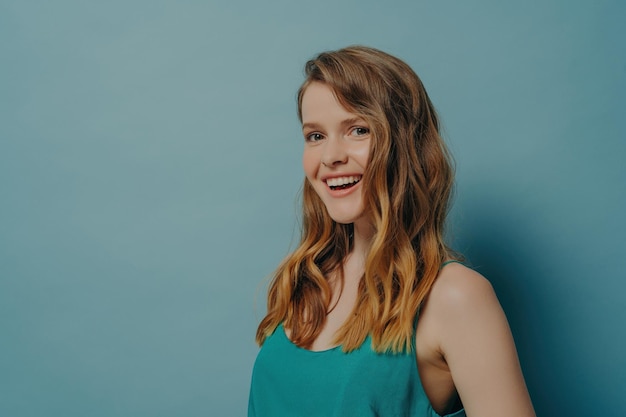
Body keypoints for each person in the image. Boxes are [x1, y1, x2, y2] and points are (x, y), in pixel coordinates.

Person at [248, 46, 536, 417]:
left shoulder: (455, 296)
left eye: (358, 130)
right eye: (315, 136)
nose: (330, 156)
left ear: (405, 143)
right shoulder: (305, 282)